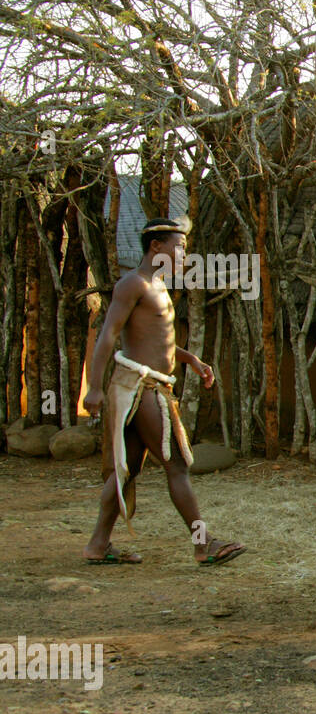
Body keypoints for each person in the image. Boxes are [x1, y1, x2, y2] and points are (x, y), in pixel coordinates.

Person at [81, 217, 246, 566]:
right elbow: (108, 335)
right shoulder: (133, 284)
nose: (184, 253)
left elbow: (157, 343)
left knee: (126, 470)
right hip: (139, 387)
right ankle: (204, 544)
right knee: (177, 466)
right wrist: (94, 388)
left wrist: (191, 360)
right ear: (156, 247)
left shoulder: (156, 286)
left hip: (149, 384)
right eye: (179, 246)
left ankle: (98, 544)